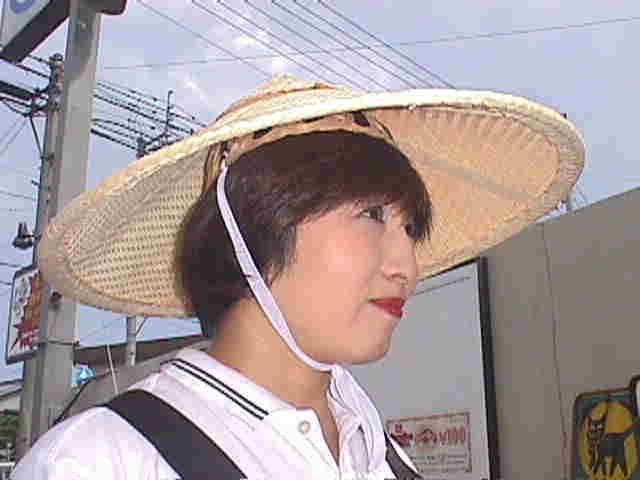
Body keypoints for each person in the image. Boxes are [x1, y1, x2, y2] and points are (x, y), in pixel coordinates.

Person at [12, 75, 585, 479]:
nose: (406, 266)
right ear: (251, 227)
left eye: (410, 229)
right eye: (371, 215)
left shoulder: (377, 452)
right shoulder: (101, 462)